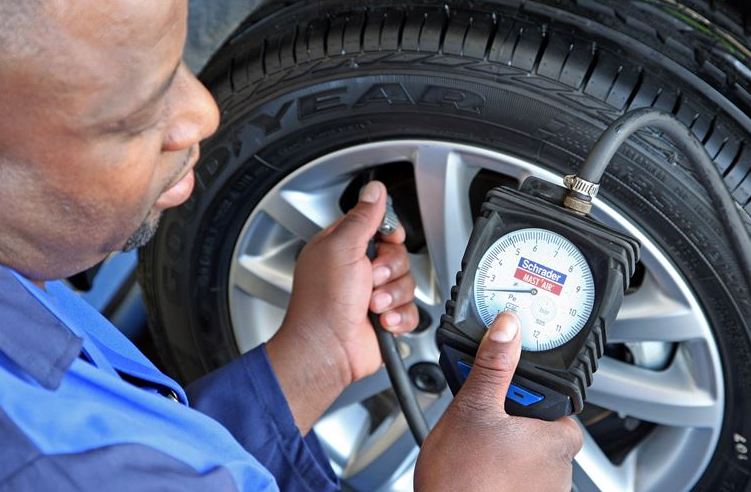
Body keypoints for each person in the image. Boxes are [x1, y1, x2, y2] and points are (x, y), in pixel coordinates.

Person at [0, 1, 582, 491]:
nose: (203, 112)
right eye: (133, 119)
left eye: (178, 63)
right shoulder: (43, 467)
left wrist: (314, 358)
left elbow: (161, 454)